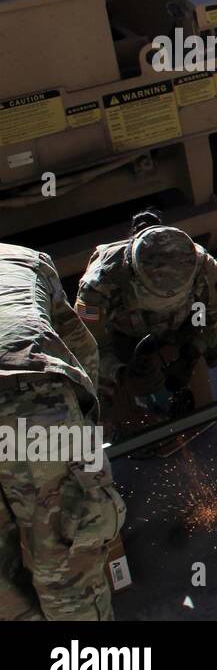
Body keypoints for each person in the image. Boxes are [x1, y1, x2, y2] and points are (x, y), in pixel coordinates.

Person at [1, 243, 123, 620]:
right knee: (66, 559)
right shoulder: (20, 257)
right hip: (28, 399)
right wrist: (84, 433)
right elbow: (81, 347)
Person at [76, 216, 217, 442]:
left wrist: (193, 350)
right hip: (125, 336)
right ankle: (98, 462)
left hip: (190, 323)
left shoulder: (205, 267)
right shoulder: (98, 286)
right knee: (85, 390)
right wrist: (120, 374)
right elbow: (87, 347)